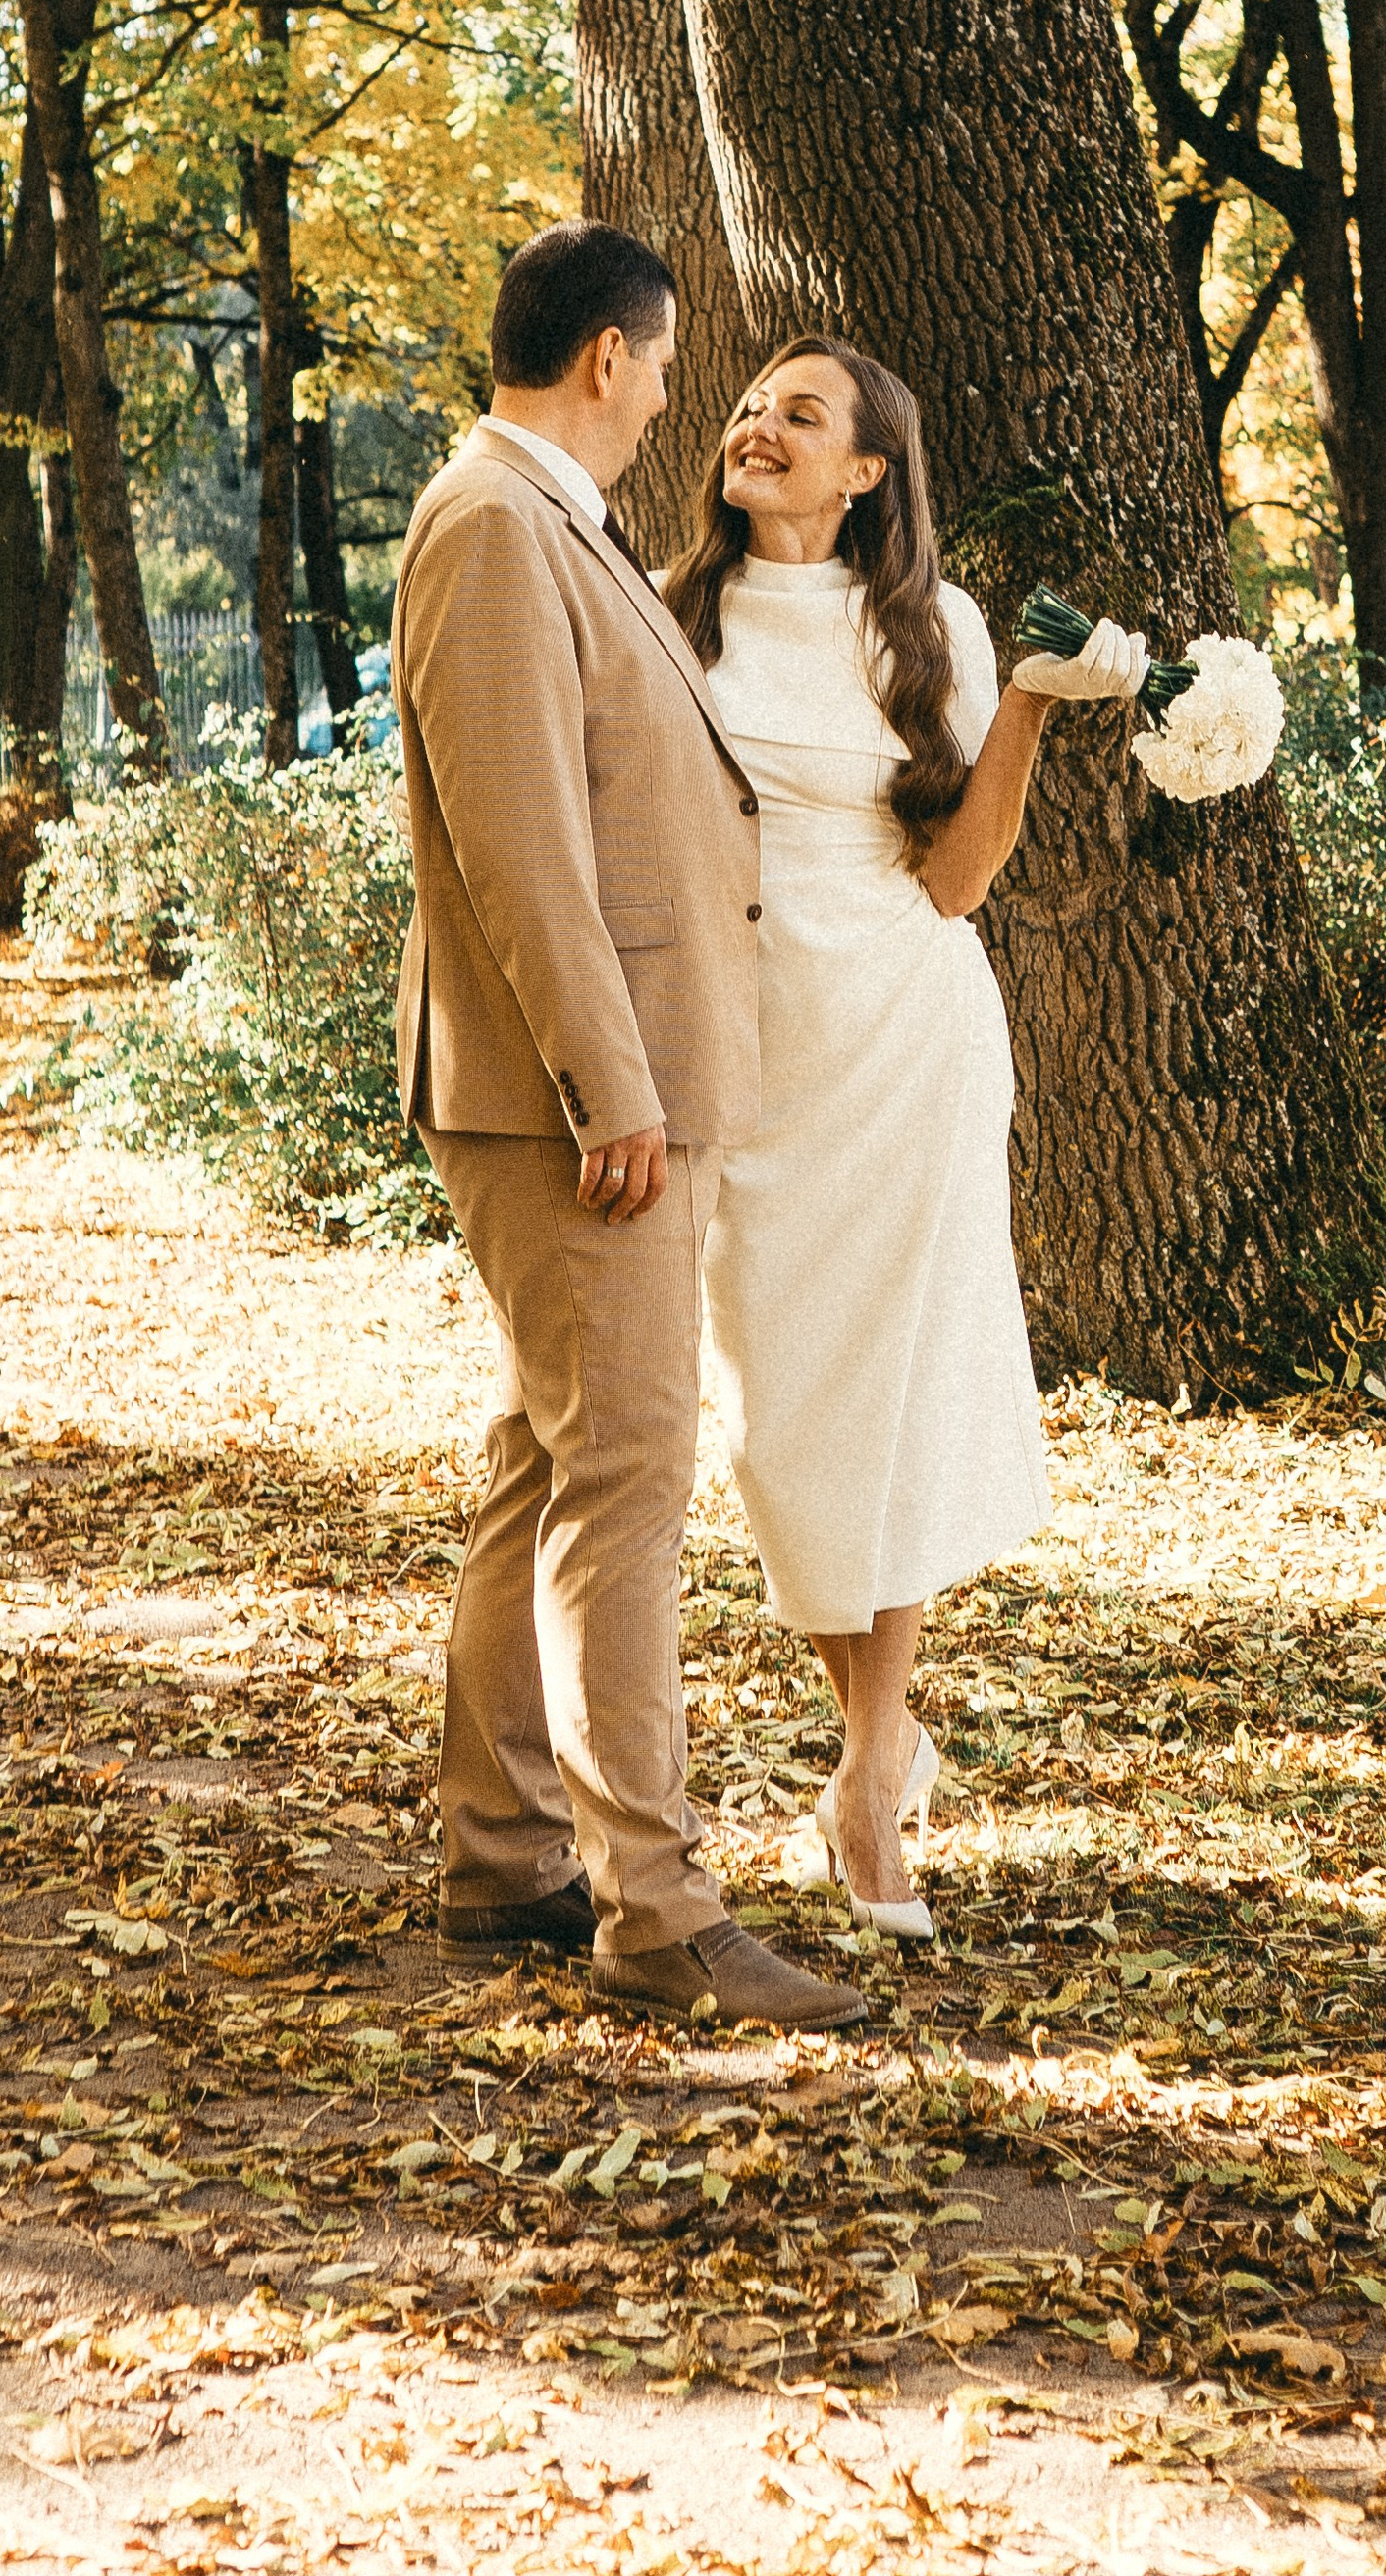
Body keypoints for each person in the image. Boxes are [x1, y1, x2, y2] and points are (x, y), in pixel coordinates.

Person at [388, 220, 863, 2031]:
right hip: (573, 1104)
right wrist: (612, 1092)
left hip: (598, 1092)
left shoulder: (541, 522)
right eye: (666, 362)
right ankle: (654, 1910)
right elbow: (520, 848)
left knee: (550, 1460)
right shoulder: (498, 527)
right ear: (607, 357)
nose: (674, 393)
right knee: (630, 1483)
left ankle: (504, 1852)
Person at [663, 339, 1148, 1939]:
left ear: (869, 467)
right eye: (748, 405)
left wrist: (1022, 706)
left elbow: (955, 879)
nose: (759, 425)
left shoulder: (924, 629)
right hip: (748, 1061)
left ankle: (869, 1779)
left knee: (889, 1408)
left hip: (905, 1044)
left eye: (801, 414)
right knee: (784, 1423)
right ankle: (881, 1742)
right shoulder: (670, 612)